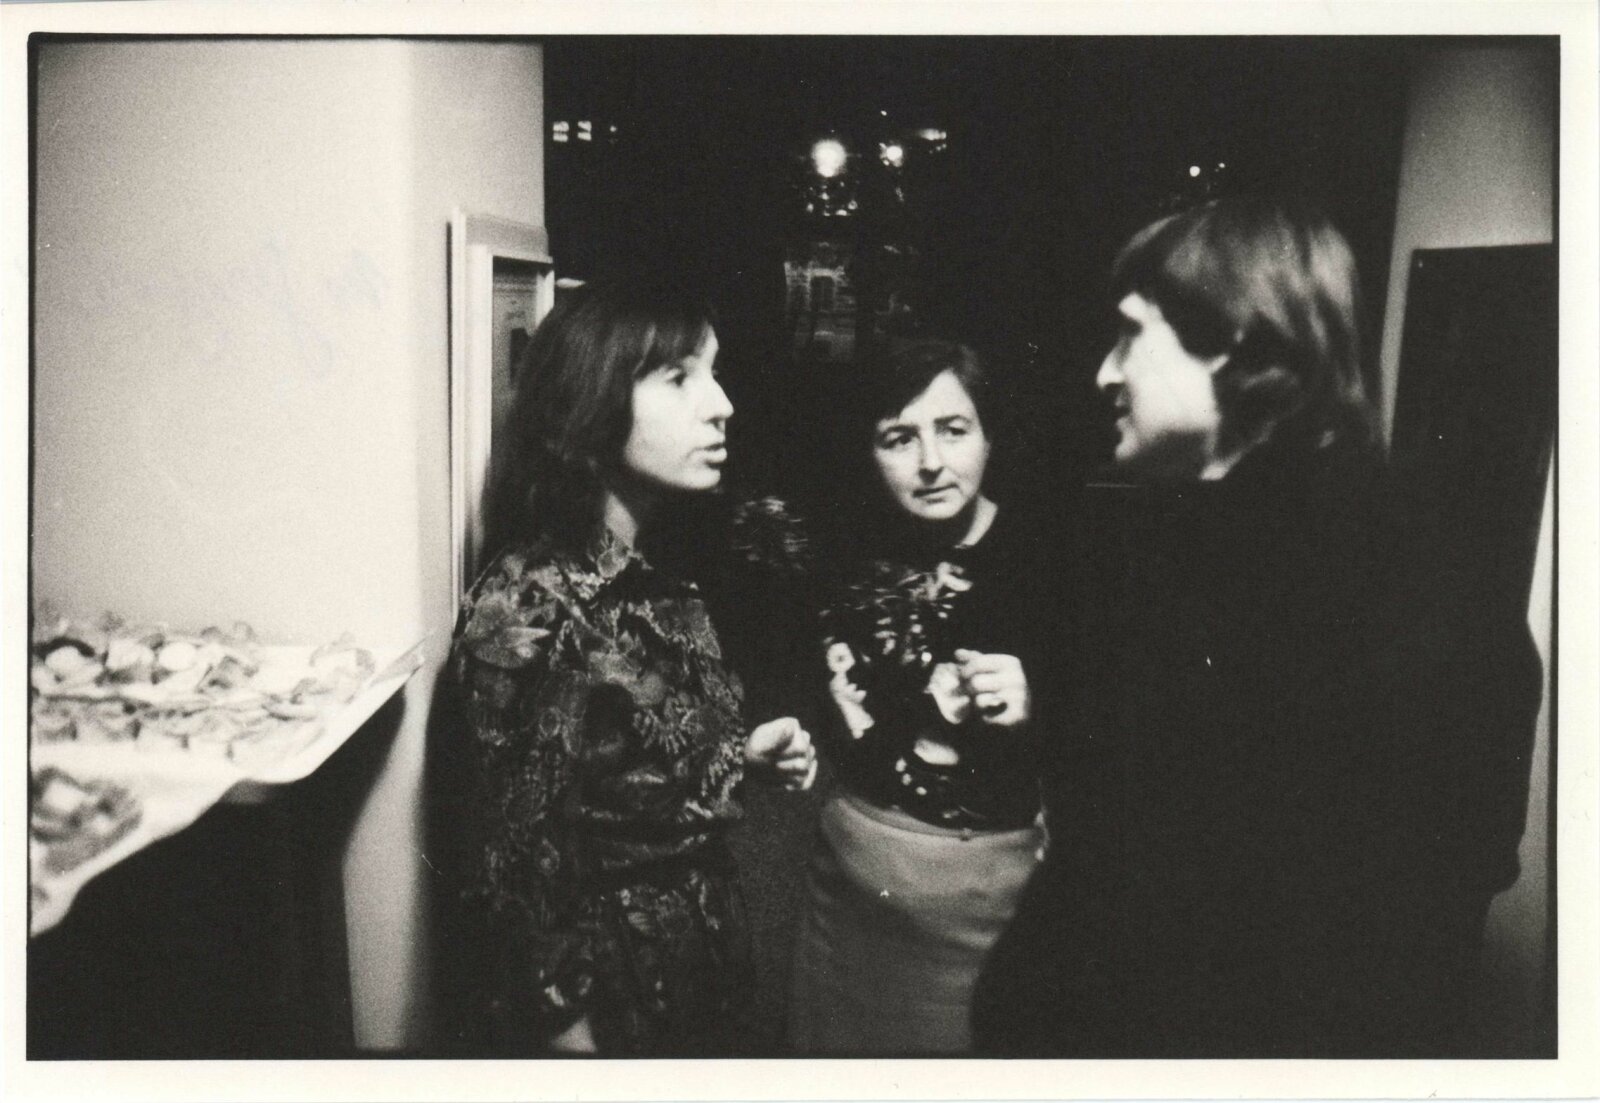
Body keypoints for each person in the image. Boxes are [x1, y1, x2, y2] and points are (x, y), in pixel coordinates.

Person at [972, 196, 1543, 1057]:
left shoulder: (1373, 585)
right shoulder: (1197, 543)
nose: (1103, 373)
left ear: (1233, 337)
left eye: (1130, 333)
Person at [443, 277, 817, 1057]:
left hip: (695, 968)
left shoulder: (649, 567)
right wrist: (572, 1040)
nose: (722, 404)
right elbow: (514, 871)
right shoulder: (527, 605)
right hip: (617, 1009)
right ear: (593, 403)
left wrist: (737, 756)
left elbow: (616, 764)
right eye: (679, 378)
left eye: (712, 371)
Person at [786, 339, 1057, 1055]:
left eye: (954, 429)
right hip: (852, 892)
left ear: (989, 435)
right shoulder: (837, 553)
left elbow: (1114, 737)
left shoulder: (1049, 556)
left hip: (989, 902)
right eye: (899, 438)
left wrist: (1038, 704)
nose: (931, 461)